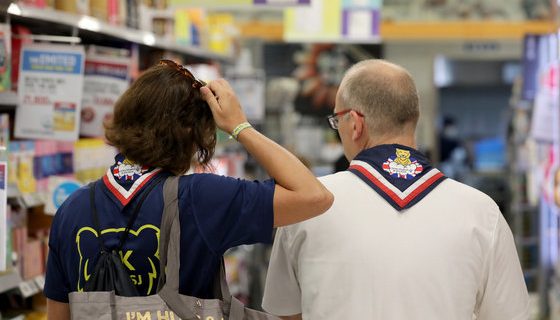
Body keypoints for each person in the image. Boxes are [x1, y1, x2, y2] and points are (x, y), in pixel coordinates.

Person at [44, 60, 334, 320]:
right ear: (190, 132)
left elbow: (57, 314)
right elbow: (314, 196)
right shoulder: (200, 197)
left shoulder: (71, 209)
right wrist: (238, 125)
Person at [261, 59, 529, 320]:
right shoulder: (481, 212)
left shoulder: (305, 206)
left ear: (355, 124)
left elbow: (286, 313)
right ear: (413, 119)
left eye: (337, 120)